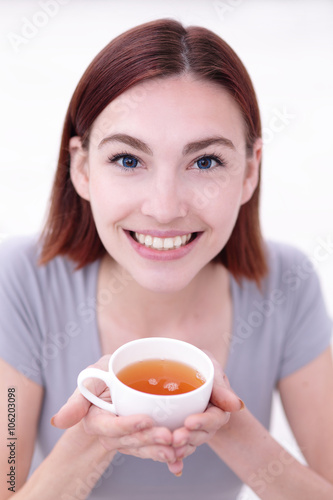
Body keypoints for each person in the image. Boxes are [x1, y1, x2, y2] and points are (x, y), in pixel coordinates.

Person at [0, 18, 332, 500]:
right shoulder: (20, 282)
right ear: (81, 167)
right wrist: (93, 438)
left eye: (205, 162)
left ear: (249, 171)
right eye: (128, 160)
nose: (164, 207)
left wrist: (226, 424)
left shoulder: (289, 284)